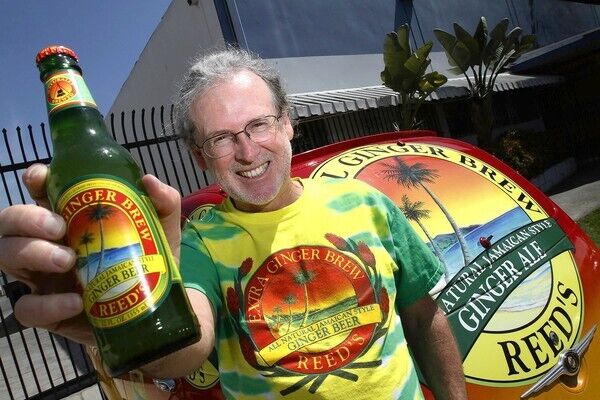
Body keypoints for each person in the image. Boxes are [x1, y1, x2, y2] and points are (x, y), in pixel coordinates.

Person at [0, 47, 467, 399]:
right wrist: (125, 322)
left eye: (259, 124)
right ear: (199, 157)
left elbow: (423, 316)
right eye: (221, 139)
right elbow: (186, 351)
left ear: (287, 123)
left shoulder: (365, 202)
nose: (247, 151)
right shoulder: (199, 243)